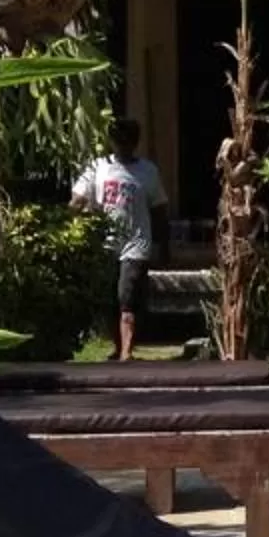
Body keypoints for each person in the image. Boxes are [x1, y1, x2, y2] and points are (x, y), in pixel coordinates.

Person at [72, 119, 168, 362]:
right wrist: (73, 212)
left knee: (127, 296)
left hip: (136, 244)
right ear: (112, 142)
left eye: (128, 140)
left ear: (135, 143)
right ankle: (117, 347)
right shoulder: (99, 167)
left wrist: (163, 245)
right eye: (119, 140)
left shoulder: (148, 171)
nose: (123, 145)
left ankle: (127, 351)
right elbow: (79, 196)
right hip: (106, 243)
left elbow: (159, 209)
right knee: (109, 297)